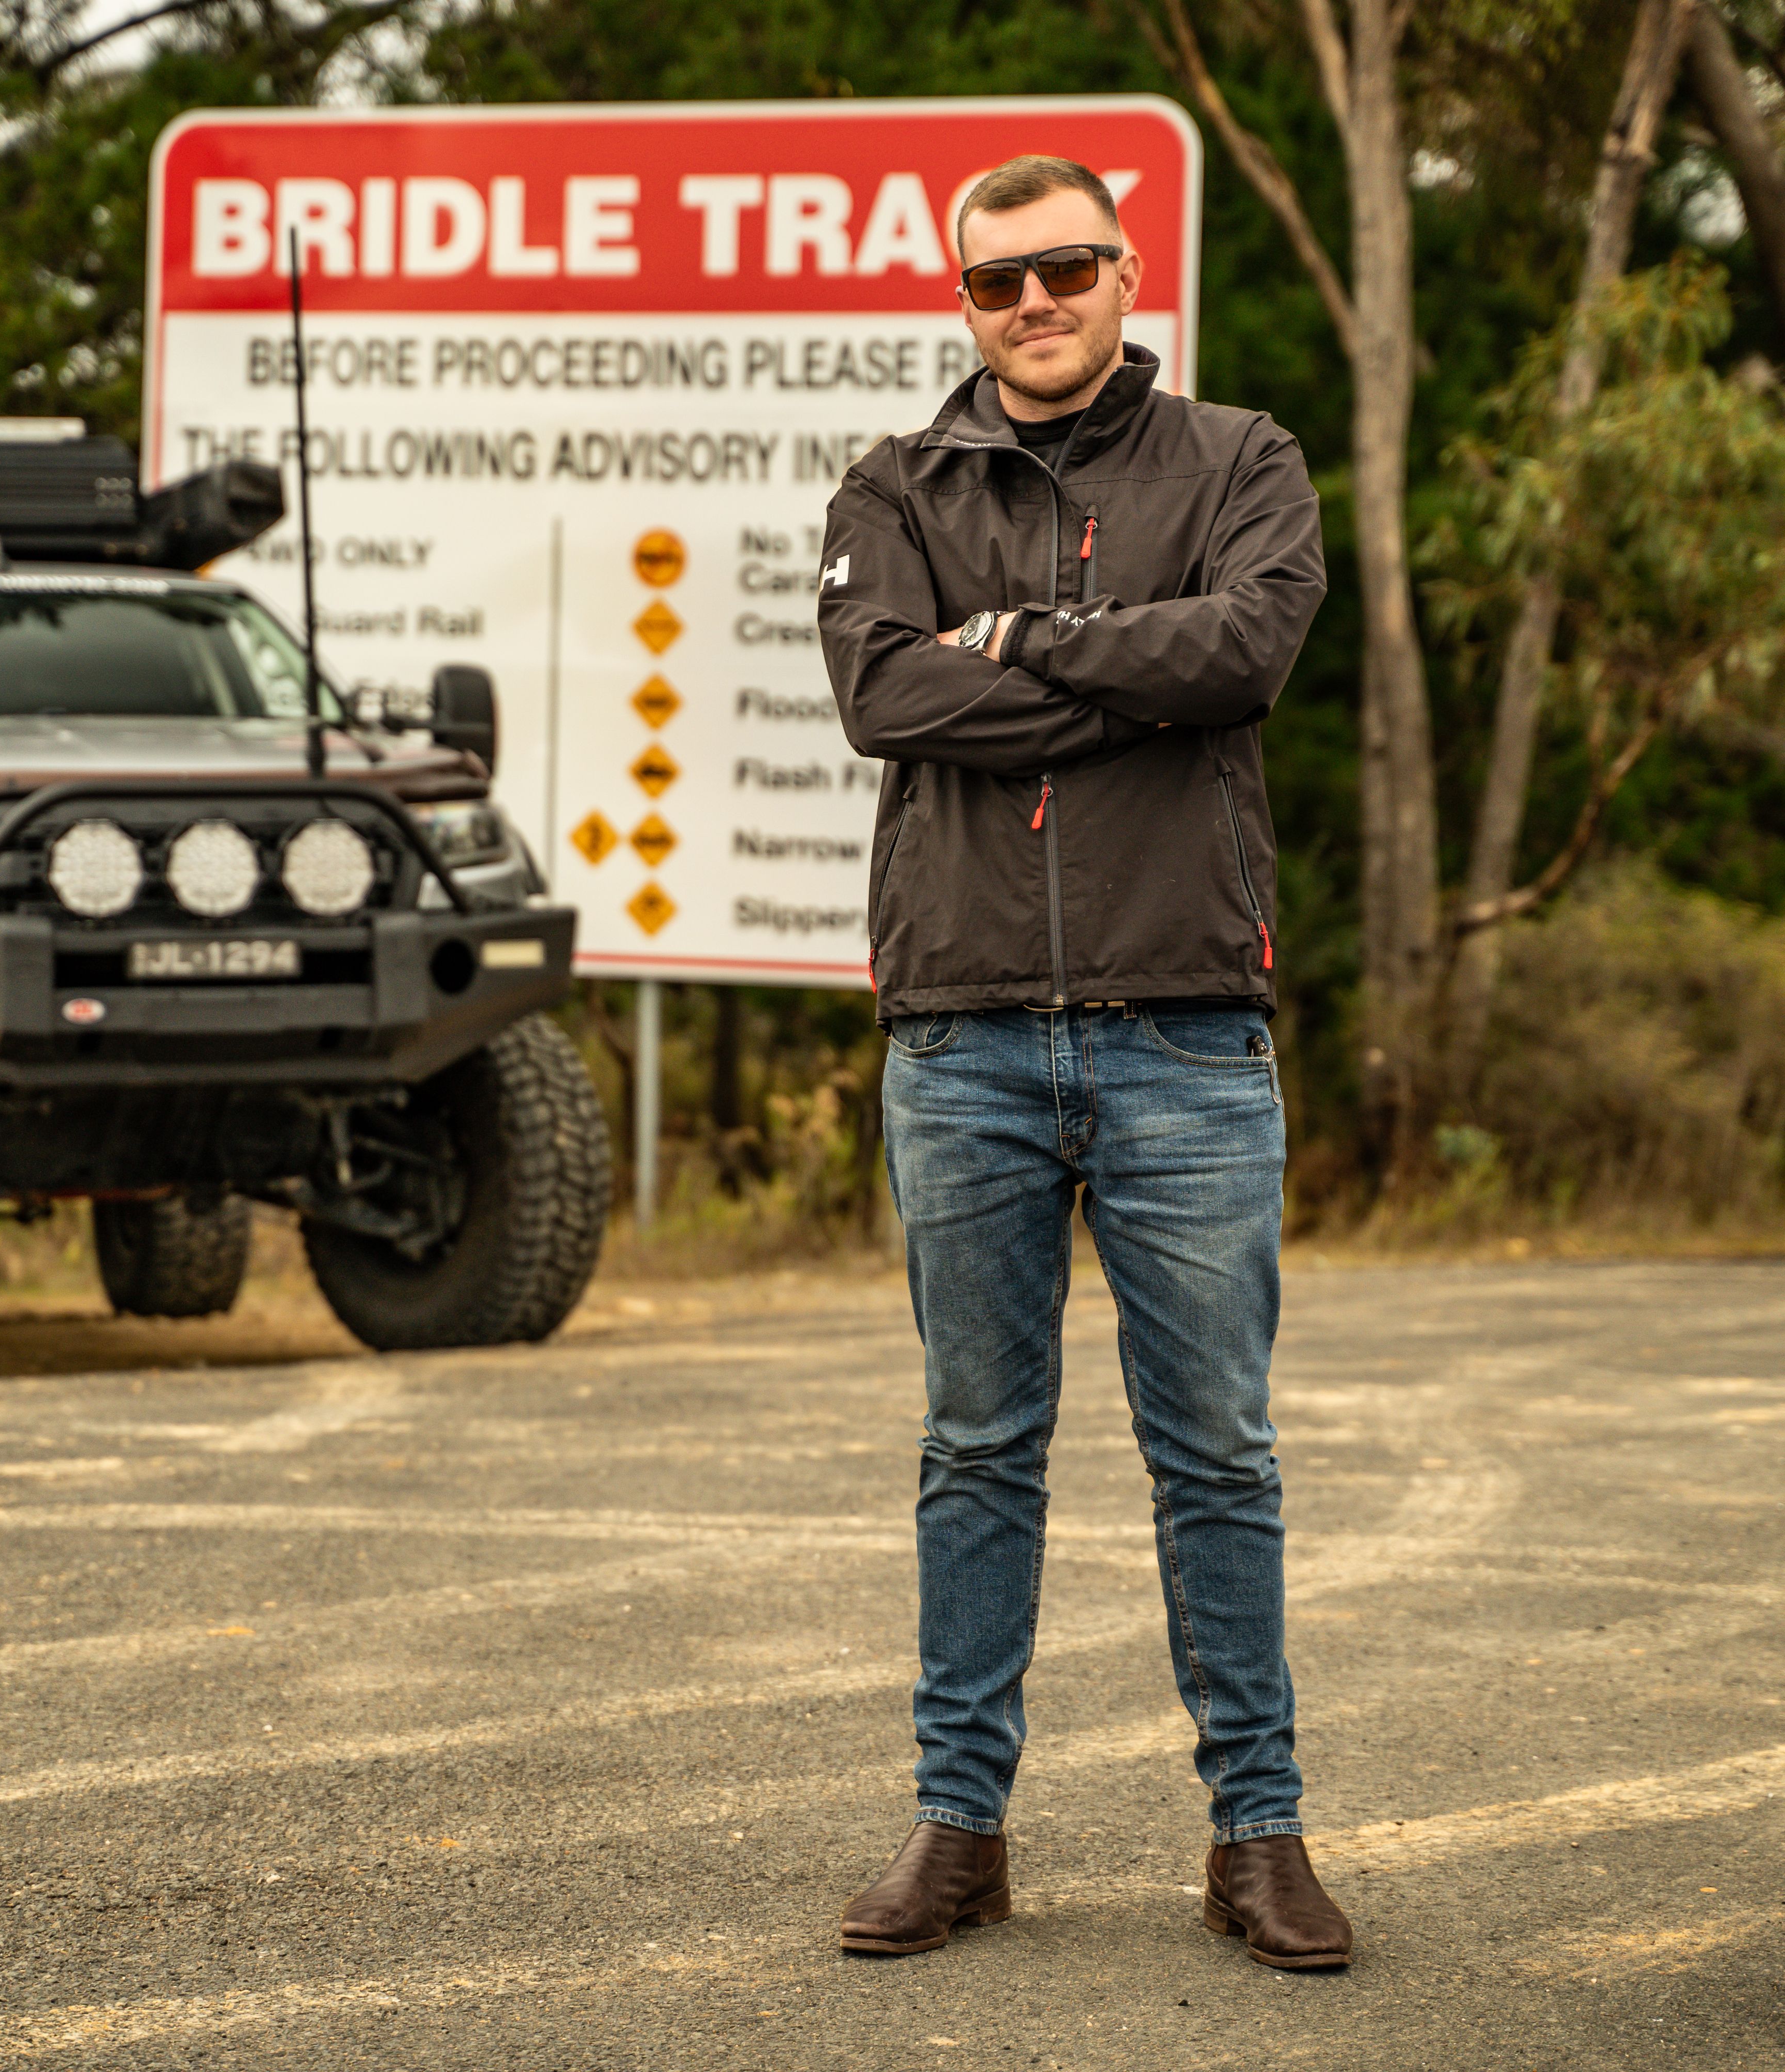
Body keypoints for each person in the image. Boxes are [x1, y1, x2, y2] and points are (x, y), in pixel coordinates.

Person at [815, 154, 1350, 1970]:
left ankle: (1258, 1838)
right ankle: (960, 1834)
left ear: (1128, 274)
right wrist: (1136, 671)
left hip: (1187, 1030)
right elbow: (887, 697)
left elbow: (1252, 649)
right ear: (958, 302)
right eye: (996, 282)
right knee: (980, 1449)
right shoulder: (894, 484)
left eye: (1064, 269)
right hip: (959, 1037)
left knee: (1218, 1457)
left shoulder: (1241, 460)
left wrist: (1030, 642)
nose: (1032, 304)